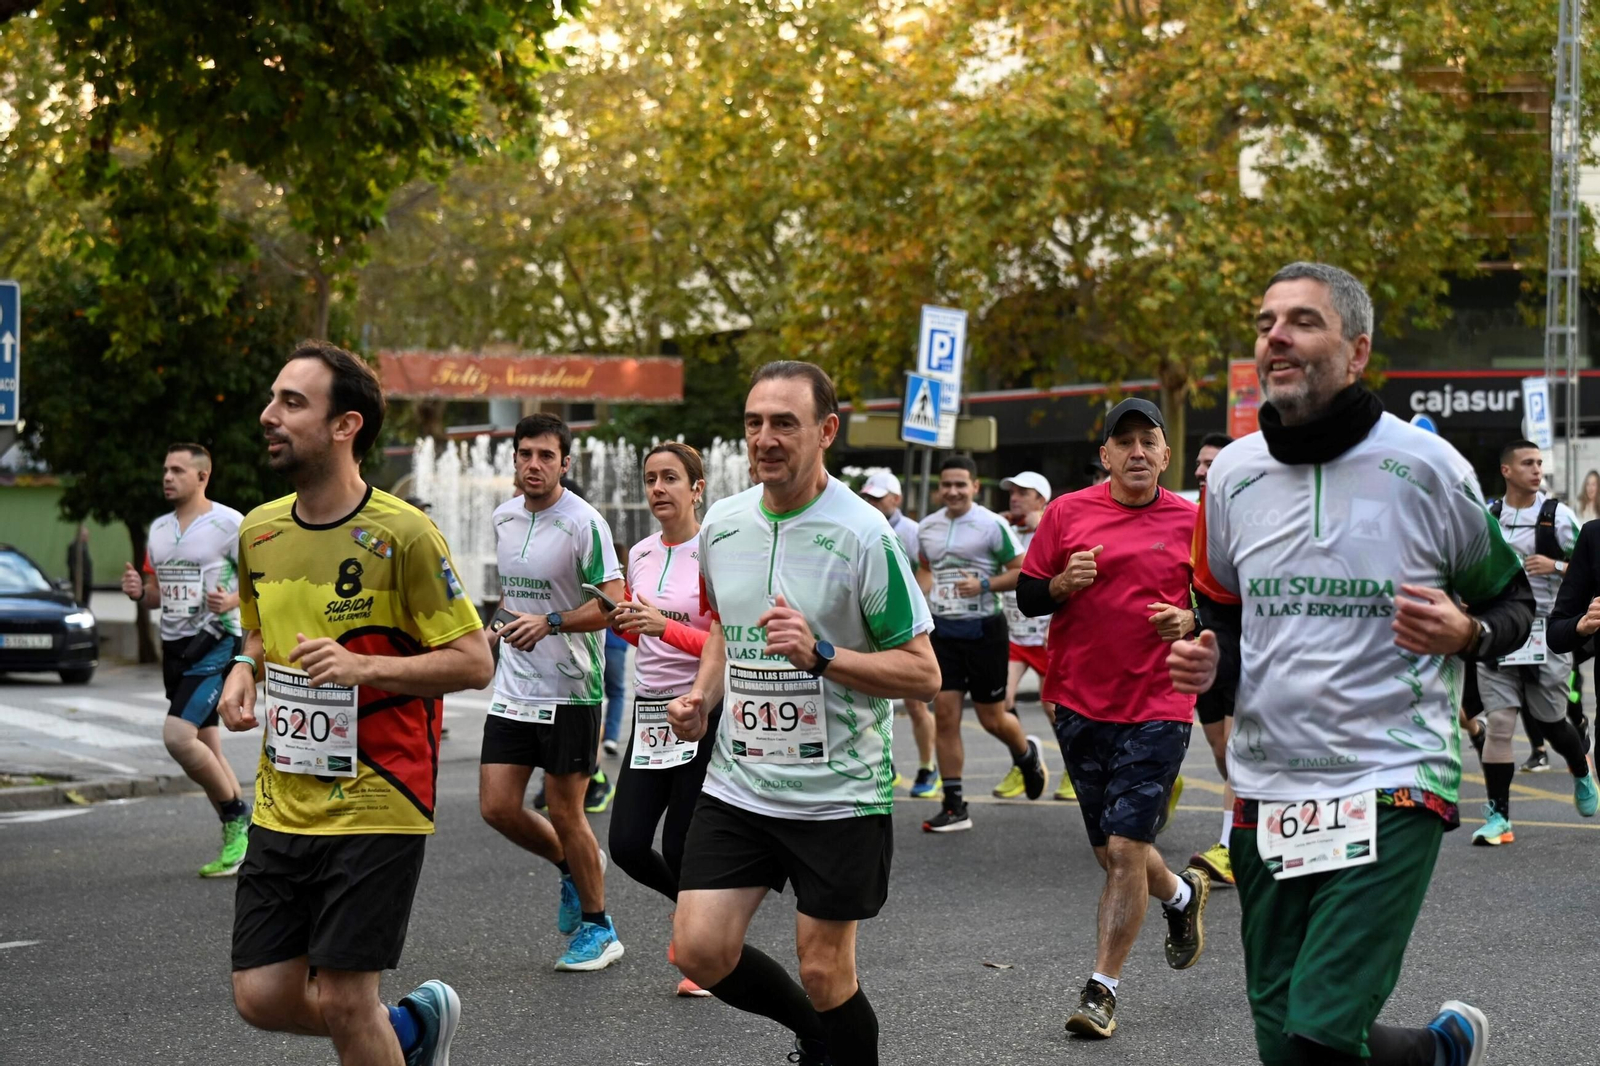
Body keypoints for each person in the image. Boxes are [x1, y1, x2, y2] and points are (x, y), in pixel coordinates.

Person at [1170, 262, 1530, 1065]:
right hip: (1270, 788)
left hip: (1392, 774)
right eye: (1266, 323)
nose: (1276, 338)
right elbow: (1221, 610)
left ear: (1358, 351)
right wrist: (1207, 661)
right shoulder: (1231, 475)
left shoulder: (1429, 470)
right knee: (1289, 1036)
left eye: (1302, 321)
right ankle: (1437, 1053)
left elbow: (1514, 605)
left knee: (1321, 1032)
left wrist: (1466, 633)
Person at [219, 341, 493, 1066]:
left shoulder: (404, 533)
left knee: (344, 998)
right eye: (273, 399)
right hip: (283, 799)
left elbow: (475, 660)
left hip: (381, 795)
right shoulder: (258, 531)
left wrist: (361, 666)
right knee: (261, 996)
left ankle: (377, 1031)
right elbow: (256, 628)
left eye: (291, 403)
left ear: (345, 426)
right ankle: (406, 1032)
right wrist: (244, 668)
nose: (268, 416)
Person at [666, 361, 938, 1066]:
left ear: (826, 431)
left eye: (785, 423)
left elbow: (922, 672)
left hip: (838, 794)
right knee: (697, 947)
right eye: (755, 423)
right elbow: (727, 628)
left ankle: (833, 1039)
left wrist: (822, 656)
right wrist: (703, 697)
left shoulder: (862, 535)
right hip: (740, 783)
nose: (766, 438)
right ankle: (817, 1039)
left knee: (825, 972)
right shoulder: (722, 525)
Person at [1014, 398, 1210, 1039]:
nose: (1136, 452)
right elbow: (1028, 591)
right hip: (1078, 700)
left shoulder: (1195, 521)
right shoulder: (1068, 512)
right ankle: (1181, 896)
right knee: (1111, 854)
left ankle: (1102, 991)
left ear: (1165, 454)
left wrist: (1191, 620)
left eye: (1147, 441)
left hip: (1160, 700)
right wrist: (1061, 585)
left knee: (1127, 847)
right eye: (1122, 442)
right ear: (1104, 455)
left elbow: (1221, 603)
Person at [478, 413, 628, 972]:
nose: (534, 465)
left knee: (567, 811)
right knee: (496, 806)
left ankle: (599, 927)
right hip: (515, 687)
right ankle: (572, 865)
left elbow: (612, 604)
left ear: (565, 463)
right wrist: (493, 632)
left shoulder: (583, 523)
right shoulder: (503, 517)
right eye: (525, 454)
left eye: (546, 455)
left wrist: (553, 622)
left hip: (571, 689)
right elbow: (510, 595)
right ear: (513, 460)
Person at [605, 442, 718, 997]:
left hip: (699, 708)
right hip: (650, 714)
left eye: (670, 478)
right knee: (626, 844)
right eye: (650, 479)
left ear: (696, 487)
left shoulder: (714, 551)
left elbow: (728, 643)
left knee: (680, 845)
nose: (657, 489)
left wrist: (661, 625)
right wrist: (623, 619)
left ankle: (703, 952)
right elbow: (638, 630)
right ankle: (708, 923)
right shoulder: (642, 553)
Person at [119, 443, 249, 878]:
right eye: (165, 469)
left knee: (178, 737)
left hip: (216, 642)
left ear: (202, 476)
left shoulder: (231, 524)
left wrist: (230, 598)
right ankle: (247, 841)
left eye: (177, 470)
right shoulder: (157, 529)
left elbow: (263, 584)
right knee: (207, 748)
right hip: (174, 648)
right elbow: (156, 593)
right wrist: (140, 591)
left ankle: (235, 819)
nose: (167, 477)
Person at [1464, 440, 1593, 843]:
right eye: (1527, 463)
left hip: (1545, 631)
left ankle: (1581, 769)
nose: (1537, 470)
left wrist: (1554, 564)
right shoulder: (1488, 516)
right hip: (1500, 630)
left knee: (1552, 724)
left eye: (1539, 463)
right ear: (1506, 471)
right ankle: (1498, 818)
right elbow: (1469, 566)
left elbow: (1588, 566)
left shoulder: (1558, 516)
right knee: (1500, 723)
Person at [918, 455, 1048, 833]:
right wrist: (920, 597)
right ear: (939, 488)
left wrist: (984, 585)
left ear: (975, 487)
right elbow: (926, 569)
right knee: (945, 715)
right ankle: (955, 805)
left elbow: (1021, 570)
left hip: (985, 631)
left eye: (961, 484)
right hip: (943, 631)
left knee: (992, 719)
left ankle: (1025, 754)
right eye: (947, 485)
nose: (953, 491)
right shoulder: (927, 528)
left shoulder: (991, 525)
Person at [993, 471, 1075, 802]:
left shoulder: (1053, 528)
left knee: (1052, 708)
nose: (1014, 497)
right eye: (1012, 491)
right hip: (1013, 634)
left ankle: (1074, 768)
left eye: (1023, 492)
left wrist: (1038, 522)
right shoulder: (1005, 529)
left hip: (1044, 634)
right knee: (1002, 703)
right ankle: (1024, 757)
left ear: (1041, 499)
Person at [859, 470, 939, 798]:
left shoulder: (912, 531)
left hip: (907, 627)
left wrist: (906, 604)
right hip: (871, 626)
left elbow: (928, 572)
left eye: (878, 497)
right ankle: (886, 764)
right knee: (870, 697)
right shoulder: (861, 524)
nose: (872, 502)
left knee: (916, 703)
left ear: (897, 500)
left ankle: (927, 767)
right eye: (868, 496)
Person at [1187, 431, 1238, 887]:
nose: (1201, 471)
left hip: (1245, 645)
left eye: (1211, 464)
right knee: (1222, 751)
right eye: (1200, 463)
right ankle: (1250, 813)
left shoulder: (1246, 512)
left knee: (1239, 752)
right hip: (1203, 645)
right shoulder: (1189, 513)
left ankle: (1231, 848)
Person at [67, 525, 93, 609]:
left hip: (86, 579)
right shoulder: (74, 546)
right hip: (80, 580)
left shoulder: (84, 545)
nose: (87, 537)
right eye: (85, 535)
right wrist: (77, 578)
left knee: (86, 600)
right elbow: (72, 563)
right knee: (80, 600)